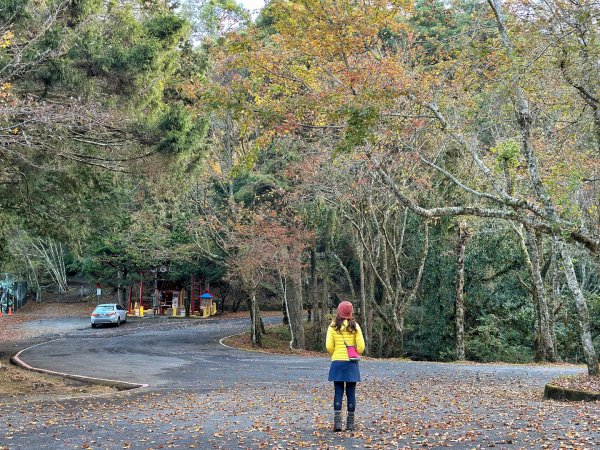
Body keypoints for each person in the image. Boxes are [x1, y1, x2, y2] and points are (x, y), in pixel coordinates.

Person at [326, 300, 365, 432]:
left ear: (339, 311)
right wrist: (354, 350)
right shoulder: (355, 326)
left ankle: (337, 424)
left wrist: (336, 353)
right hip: (351, 363)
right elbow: (361, 347)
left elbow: (329, 347)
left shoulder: (332, 326)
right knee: (351, 393)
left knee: (338, 391)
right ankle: (350, 424)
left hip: (337, 362)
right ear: (350, 312)